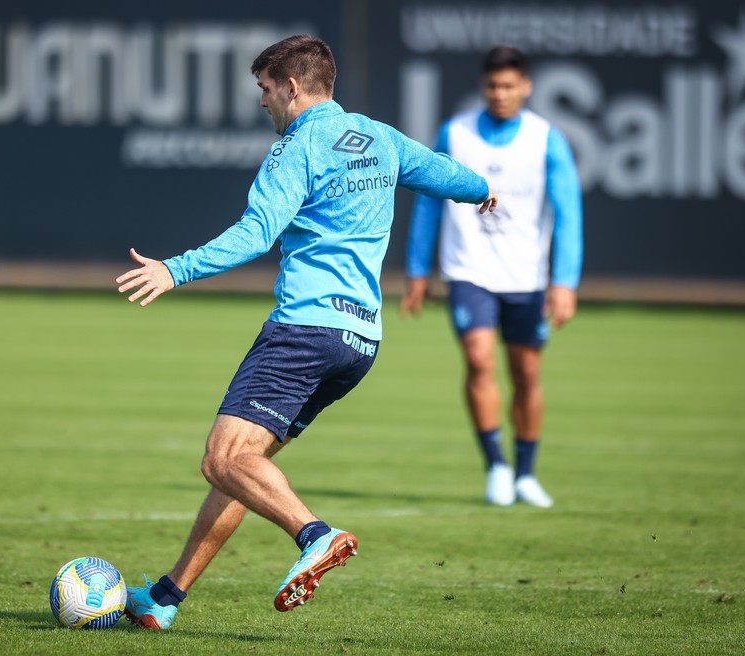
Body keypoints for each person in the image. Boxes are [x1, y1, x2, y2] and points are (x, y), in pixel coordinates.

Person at [116, 34, 497, 630]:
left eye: (265, 89)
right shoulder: (379, 136)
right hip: (359, 341)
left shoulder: (296, 147)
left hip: (304, 329)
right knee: (246, 467)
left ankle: (314, 535)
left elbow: (256, 232)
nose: (262, 101)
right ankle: (166, 597)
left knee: (222, 460)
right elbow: (441, 172)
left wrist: (175, 269)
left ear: (292, 87)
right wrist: (482, 190)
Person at [400, 45, 583, 508]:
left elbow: (568, 213)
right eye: (492, 86)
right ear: (483, 87)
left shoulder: (546, 139)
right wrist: (418, 270)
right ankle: (497, 465)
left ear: (526, 87)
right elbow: (428, 201)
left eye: (508, 86)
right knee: (479, 360)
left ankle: (526, 473)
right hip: (468, 269)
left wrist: (565, 281)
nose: (499, 94)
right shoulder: (455, 133)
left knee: (526, 373)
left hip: (526, 276)